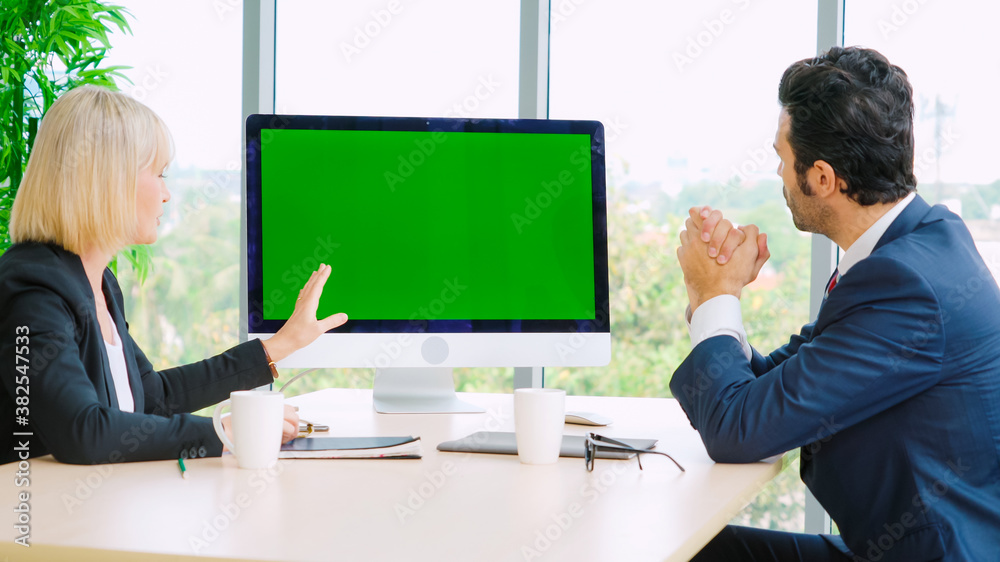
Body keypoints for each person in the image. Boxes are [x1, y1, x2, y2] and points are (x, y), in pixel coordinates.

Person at [672, 47, 1000, 561]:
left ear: (822, 178)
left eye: (781, 159)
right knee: (693, 549)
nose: (779, 176)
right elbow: (766, 393)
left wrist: (720, 294)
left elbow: (736, 429)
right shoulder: (922, 242)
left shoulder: (904, 286)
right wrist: (708, 297)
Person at [0, 85, 348, 465]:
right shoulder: (33, 292)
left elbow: (153, 396)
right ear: (108, 179)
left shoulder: (98, 282)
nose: (167, 194)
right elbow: (82, 432)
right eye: (160, 174)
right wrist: (225, 432)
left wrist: (281, 344)